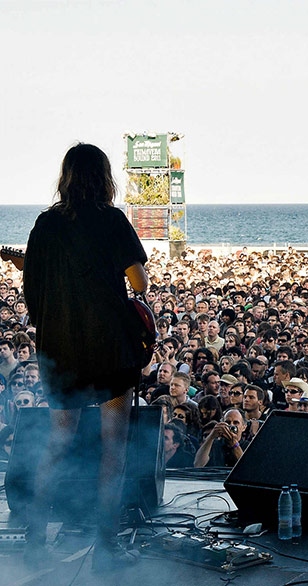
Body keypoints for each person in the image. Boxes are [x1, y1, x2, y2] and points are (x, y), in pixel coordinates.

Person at [22, 144, 149, 570]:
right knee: (114, 449)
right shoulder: (112, 220)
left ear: (67, 177)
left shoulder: (44, 224)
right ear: (104, 177)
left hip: (61, 351)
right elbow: (140, 282)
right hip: (110, 349)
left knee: (57, 444)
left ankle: (34, 540)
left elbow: (32, 295)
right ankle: (107, 550)